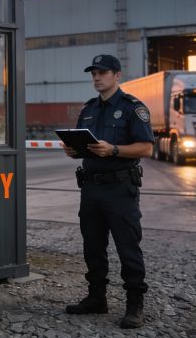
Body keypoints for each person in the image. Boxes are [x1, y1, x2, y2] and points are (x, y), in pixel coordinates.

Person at [62, 54, 154, 329]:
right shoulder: (89, 109)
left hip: (120, 188)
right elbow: (82, 147)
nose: (97, 77)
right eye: (93, 73)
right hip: (90, 187)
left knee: (127, 247)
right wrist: (72, 150)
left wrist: (114, 149)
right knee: (92, 246)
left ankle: (135, 304)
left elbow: (146, 148)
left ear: (117, 75)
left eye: (102, 72)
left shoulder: (132, 108)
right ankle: (96, 298)